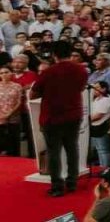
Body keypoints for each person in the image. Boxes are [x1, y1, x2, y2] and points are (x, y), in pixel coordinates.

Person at [30, 39, 88, 196]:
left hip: (52, 116)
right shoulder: (81, 70)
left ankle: (57, 186)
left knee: (53, 152)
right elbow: (81, 87)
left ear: (54, 54)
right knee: (72, 148)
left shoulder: (49, 72)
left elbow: (33, 93)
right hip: (73, 114)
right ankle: (72, 183)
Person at [90, 80, 110, 171]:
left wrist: (85, 119)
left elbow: (99, 115)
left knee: (103, 150)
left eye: (97, 87)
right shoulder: (95, 99)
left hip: (102, 127)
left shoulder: (107, 99)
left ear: (104, 89)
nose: (94, 89)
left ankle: (105, 169)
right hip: (94, 127)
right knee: (98, 149)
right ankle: (101, 168)